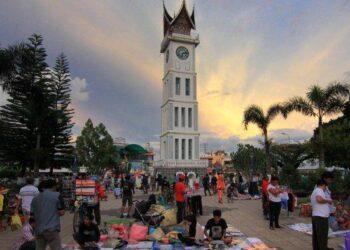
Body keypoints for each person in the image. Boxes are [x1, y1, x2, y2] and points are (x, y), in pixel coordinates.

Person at [31, 179, 65, 250]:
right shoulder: (57, 195)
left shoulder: (35, 199)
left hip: (39, 230)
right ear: (54, 186)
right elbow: (62, 212)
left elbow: (32, 217)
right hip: (52, 229)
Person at [311, 179, 332, 250]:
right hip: (321, 217)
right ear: (323, 185)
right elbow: (319, 200)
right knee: (322, 236)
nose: (325, 188)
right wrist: (328, 200)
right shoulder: (319, 190)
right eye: (325, 186)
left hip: (317, 216)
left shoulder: (315, 191)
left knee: (317, 236)